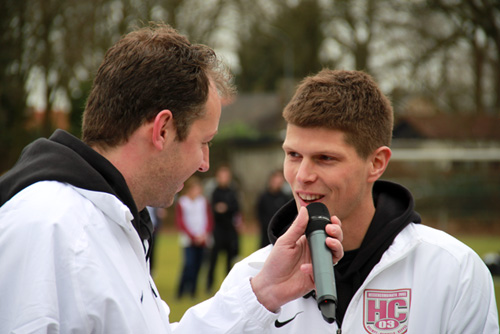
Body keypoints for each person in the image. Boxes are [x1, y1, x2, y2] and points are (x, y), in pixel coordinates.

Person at [0, 23, 343, 333]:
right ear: (162, 129)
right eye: (204, 143)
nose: (206, 164)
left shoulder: (107, 223)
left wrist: (264, 292)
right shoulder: (46, 227)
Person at [217, 69, 499, 333]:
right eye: (293, 155)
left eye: (325, 158)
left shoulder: (454, 271)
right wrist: (261, 298)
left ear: (376, 163)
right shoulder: (251, 281)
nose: (302, 176)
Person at [175, 176, 213, 298]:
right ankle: (181, 290)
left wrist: (204, 234)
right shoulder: (183, 202)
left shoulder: (203, 201)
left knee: (199, 265)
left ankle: (193, 291)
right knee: (189, 264)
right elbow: (181, 222)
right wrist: (192, 236)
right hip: (188, 240)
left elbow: (209, 219)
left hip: (202, 238)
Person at [206, 164, 242, 292]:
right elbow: (212, 209)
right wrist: (220, 209)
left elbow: (236, 208)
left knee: (229, 260)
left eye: (226, 176)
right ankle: (209, 285)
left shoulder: (232, 192)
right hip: (217, 230)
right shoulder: (215, 192)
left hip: (229, 230)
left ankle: (227, 287)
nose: (224, 178)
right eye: (221, 176)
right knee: (213, 259)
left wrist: (226, 208)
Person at [256, 169, 291, 248]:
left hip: (280, 234)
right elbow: (259, 212)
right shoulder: (264, 197)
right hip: (266, 233)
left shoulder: (285, 198)